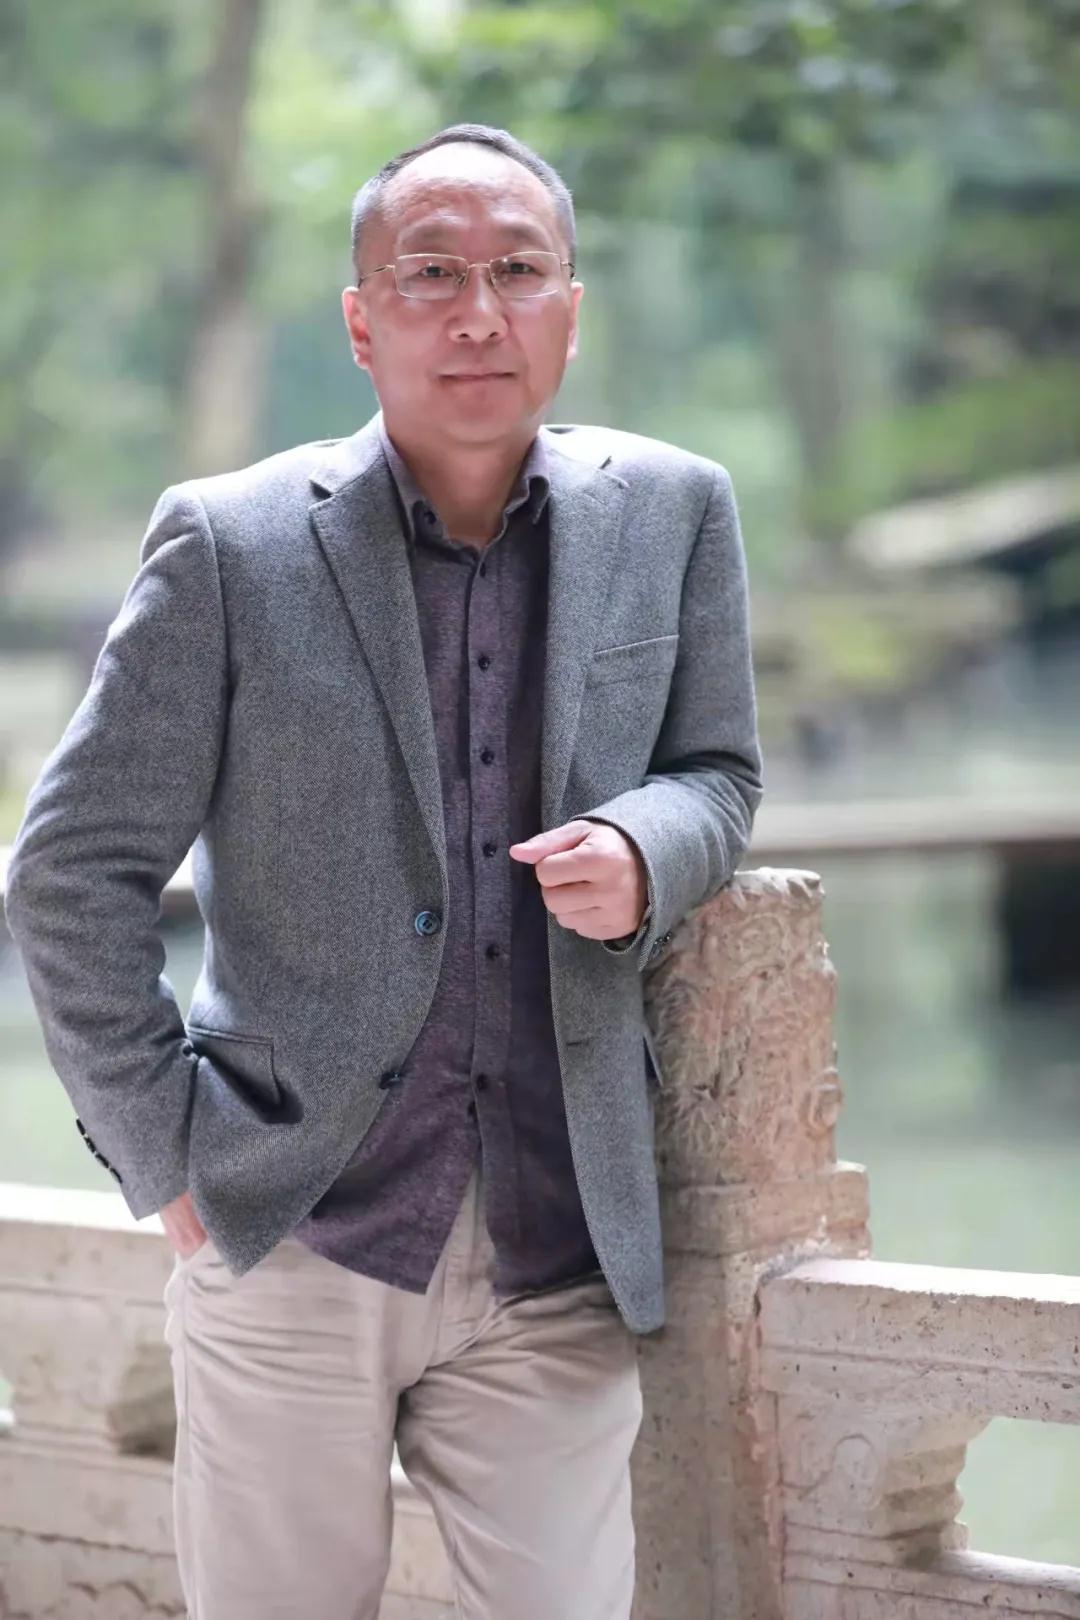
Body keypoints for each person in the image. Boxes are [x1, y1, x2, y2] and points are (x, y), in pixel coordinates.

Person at [3, 123, 763, 1619]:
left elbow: (719, 774)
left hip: (561, 1239)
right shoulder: (229, 545)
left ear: (570, 308)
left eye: (518, 272)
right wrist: (167, 1156)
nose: (479, 312)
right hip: (294, 1226)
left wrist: (645, 845)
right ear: (362, 321)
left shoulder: (676, 509)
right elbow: (70, 871)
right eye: (431, 275)